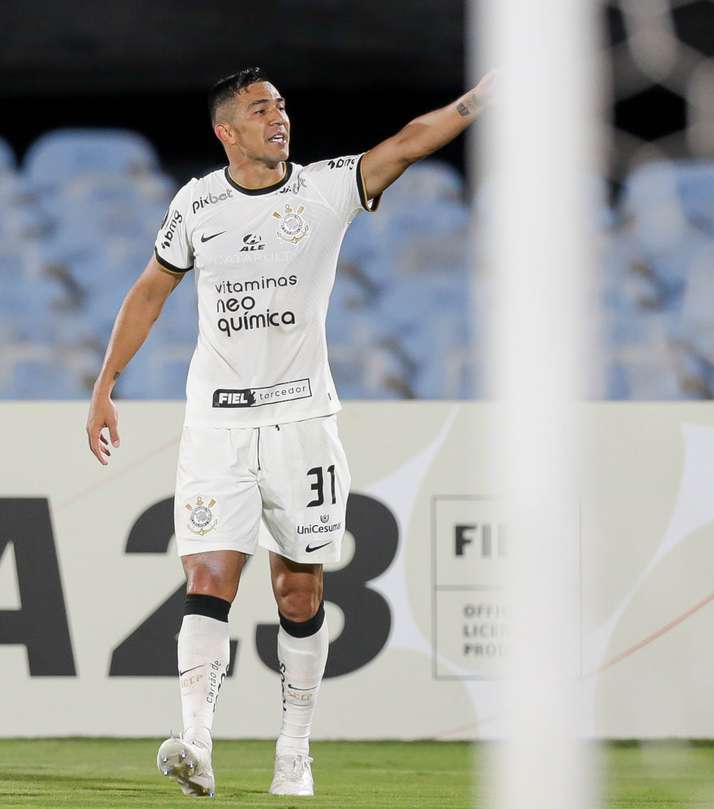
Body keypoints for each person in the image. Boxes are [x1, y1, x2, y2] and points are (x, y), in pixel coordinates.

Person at [86, 65, 494, 798]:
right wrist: (105, 381)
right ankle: (198, 743)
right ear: (226, 131)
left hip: (303, 419)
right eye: (258, 108)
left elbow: (406, 144)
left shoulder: (326, 189)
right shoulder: (196, 204)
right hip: (218, 420)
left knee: (299, 592)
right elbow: (152, 286)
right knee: (208, 575)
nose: (278, 117)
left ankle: (294, 750)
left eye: (280, 105)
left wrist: (475, 102)